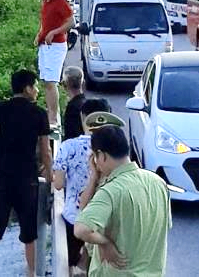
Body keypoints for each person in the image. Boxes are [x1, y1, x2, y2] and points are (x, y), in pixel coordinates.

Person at [0, 70, 53, 277]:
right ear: (27, 88)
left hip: (0, 176)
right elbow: (45, 151)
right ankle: (31, 273)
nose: (37, 90)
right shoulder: (39, 113)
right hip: (26, 178)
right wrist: (50, 175)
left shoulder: (1, 108)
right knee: (29, 233)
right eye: (35, 86)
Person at [74, 125, 172, 277]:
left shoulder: (110, 191)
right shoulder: (158, 183)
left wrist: (105, 243)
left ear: (102, 155)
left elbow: (80, 229)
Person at [53, 98, 112, 275]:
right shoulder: (112, 149)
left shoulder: (68, 147)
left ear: (83, 118)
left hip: (74, 216)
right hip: (102, 219)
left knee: (69, 265)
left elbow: (58, 184)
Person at [34, 0, 74, 125]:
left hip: (56, 46)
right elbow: (45, 22)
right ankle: (51, 112)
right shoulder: (45, 1)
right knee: (46, 81)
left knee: (51, 82)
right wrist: (40, 34)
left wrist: (54, 33)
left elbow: (71, 22)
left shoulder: (60, 2)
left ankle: (53, 118)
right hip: (45, 45)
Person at [61, 66, 86, 141]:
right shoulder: (87, 104)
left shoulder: (72, 108)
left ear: (64, 84)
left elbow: (70, 135)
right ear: (83, 83)